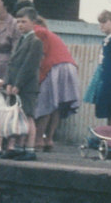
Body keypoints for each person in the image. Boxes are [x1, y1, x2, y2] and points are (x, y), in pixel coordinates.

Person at [28, 14, 81, 151]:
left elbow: (40, 57)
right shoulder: (52, 35)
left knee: (46, 104)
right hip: (69, 67)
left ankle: (38, 140)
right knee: (56, 106)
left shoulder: (37, 31)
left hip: (55, 67)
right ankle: (49, 139)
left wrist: (37, 79)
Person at [2, 6, 43, 161]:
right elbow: (12, 63)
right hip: (15, 86)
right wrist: (8, 82)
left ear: (33, 22)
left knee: (28, 117)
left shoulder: (35, 42)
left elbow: (29, 66)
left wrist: (18, 84)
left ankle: (30, 149)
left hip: (27, 87)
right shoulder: (20, 40)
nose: (20, 25)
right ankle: (18, 148)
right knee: (18, 117)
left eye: (23, 21)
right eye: (18, 22)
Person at [84, 10, 111, 127]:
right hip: (105, 80)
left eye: (104, 22)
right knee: (108, 110)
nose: (101, 25)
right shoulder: (107, 41)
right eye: (100, 23)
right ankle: (110, 137)